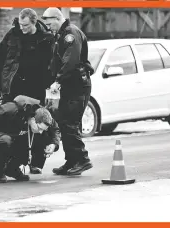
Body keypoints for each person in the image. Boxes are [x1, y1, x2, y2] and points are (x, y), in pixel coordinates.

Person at [42, 8, 95, 176]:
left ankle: (82, 159)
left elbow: (70, 61)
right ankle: (72, 160)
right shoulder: (60, 35)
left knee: (71, 123)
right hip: (69, 85)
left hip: (77, 85)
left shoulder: (70, 34)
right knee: (64, 123)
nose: (49, 27)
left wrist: (58, 80)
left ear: (58, 19)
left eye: (50, 24)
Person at [0, 8, 54, 106]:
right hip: (13, 84)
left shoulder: (46, 38)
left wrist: (50, 85)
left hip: (36, 86)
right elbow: (0, 59)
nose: (21, 27)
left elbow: (52, 64)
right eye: (20, 24)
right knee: (8, 115)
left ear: (34, 22)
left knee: (33, 117)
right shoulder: (12, 35)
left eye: (25, 25)